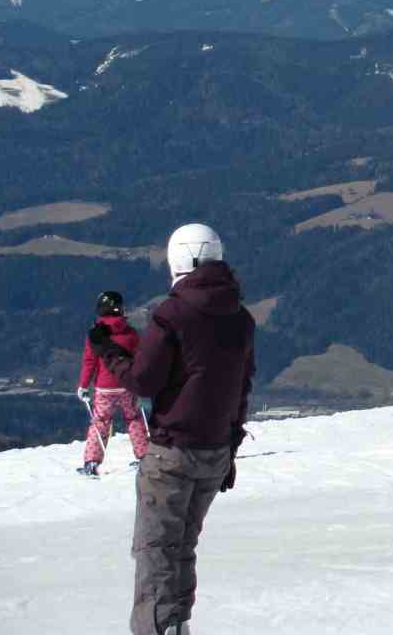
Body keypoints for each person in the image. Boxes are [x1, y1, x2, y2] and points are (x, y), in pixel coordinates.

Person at [88, 223, 256, 635]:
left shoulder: (172, 314)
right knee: (182, 546)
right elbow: (241, 387)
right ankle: (177, 624)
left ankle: (160, 628)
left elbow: (143, 381)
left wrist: (108, 352)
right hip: (215, 452)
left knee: (156, 551)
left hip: (173, 453)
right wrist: (231, 446)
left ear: (177, 259)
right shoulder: (241, 318)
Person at [76, 290, 150, 477]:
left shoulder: (95, 335)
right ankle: (144, 457)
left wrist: (83, 385)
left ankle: (92, 462)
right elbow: (140, 358)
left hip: (104, 388)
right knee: (133, 419)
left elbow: (89, 362)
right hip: (127, 384)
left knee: (100, 422)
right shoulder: (131, 333)